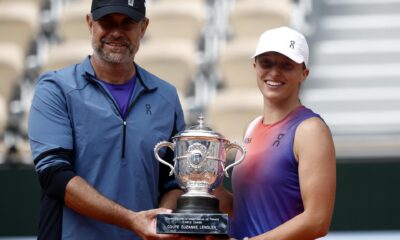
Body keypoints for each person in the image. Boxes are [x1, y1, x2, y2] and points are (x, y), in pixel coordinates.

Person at [28, 0, 186, 239]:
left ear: (143, 27)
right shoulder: (55, 88)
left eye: (128, 24)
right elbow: (55, 175)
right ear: (90, 23)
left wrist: (160, 220)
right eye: (107, 22)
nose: (116, 32)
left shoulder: (166, 96)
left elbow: (174, 181)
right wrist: (131, 221)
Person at [213, 26, 336, 240]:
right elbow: (247, 210)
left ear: (303, 73)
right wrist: (207, 186)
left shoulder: (311, 130)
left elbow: (317, 220)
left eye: (286, 65)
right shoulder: (251, 127)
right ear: (254, 67)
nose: (274, 72)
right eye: (266, 63)